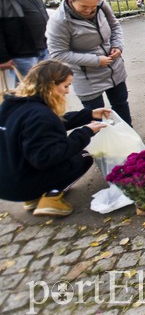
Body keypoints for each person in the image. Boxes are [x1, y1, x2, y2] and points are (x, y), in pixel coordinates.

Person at [0, 60, 110, 216]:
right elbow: (48, 157)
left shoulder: (12, 104)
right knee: (83, 157)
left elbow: (53, 123)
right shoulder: (39, 115)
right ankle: (50, 199)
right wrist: (85, 132)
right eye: (65, 86)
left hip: (7, 183)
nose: (67, 91)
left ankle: (32, 197)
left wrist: (89, 114)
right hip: (21, 184)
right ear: (50, 85)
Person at [46, 0, 132, 125]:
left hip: (114, 69)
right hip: (87, 76)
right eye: (84, 7)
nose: (89, 11)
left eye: (93, 7)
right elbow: (58, 53)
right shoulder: (60, 21)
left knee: (121, 104)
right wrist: (96, 60)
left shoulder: (101, 6)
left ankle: (129, 134)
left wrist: (117, 45)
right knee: (95, 113)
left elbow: (114, 26)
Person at [0, 0, 50, 80]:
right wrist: (2, 56)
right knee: (26, 94)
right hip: (22, 54)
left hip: (44, 47)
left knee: (47, 90)